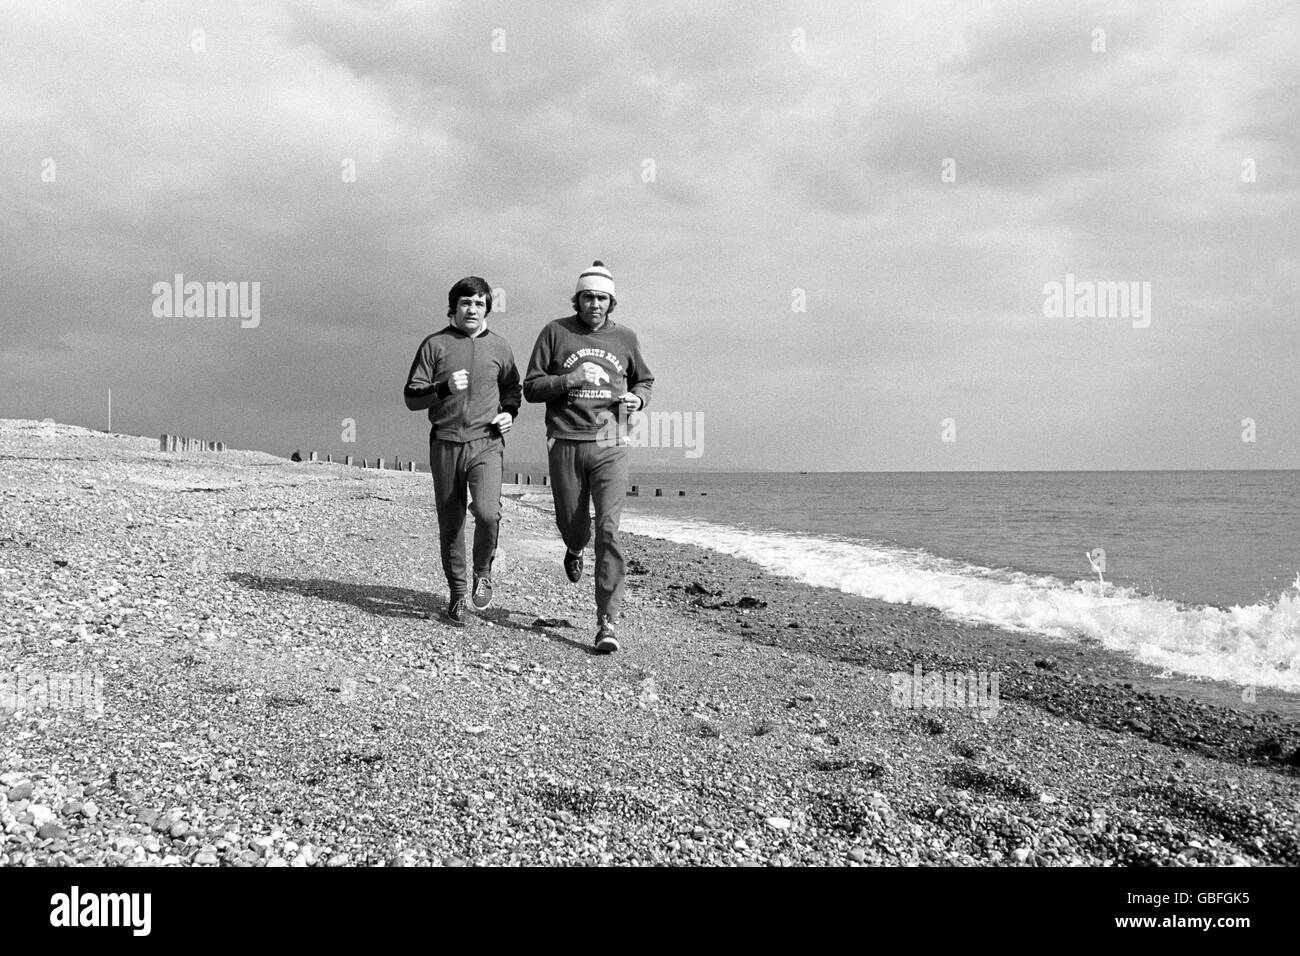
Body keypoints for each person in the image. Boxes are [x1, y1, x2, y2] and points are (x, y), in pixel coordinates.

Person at [523, 261, 654, 653]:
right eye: (587, 297)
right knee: (573, 523)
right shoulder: (555, 332)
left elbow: (644, 379)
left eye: (601, 298)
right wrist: (568, 380)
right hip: (565, 440)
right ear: (577, 298)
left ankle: (606, 622)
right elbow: (530, 387)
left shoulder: (626, 338)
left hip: (612, 442)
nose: (594, 304)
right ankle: (574, 546)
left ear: (611, 302)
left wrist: (639, 398)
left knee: (610, 531)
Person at [404, 276, 521, 624]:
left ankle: (482, 572)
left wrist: (508, 413)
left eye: (480, 303)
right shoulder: (434, 344)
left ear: (488, 308)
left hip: (486, 442)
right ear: (453, 308)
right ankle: (456, 594)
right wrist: (442, 388)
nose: (472, 309)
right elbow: (411, 397)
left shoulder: (500, 347)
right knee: (451, 523)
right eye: (466, 303)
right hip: (445, 442)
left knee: (487, 513)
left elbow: (513, 389)